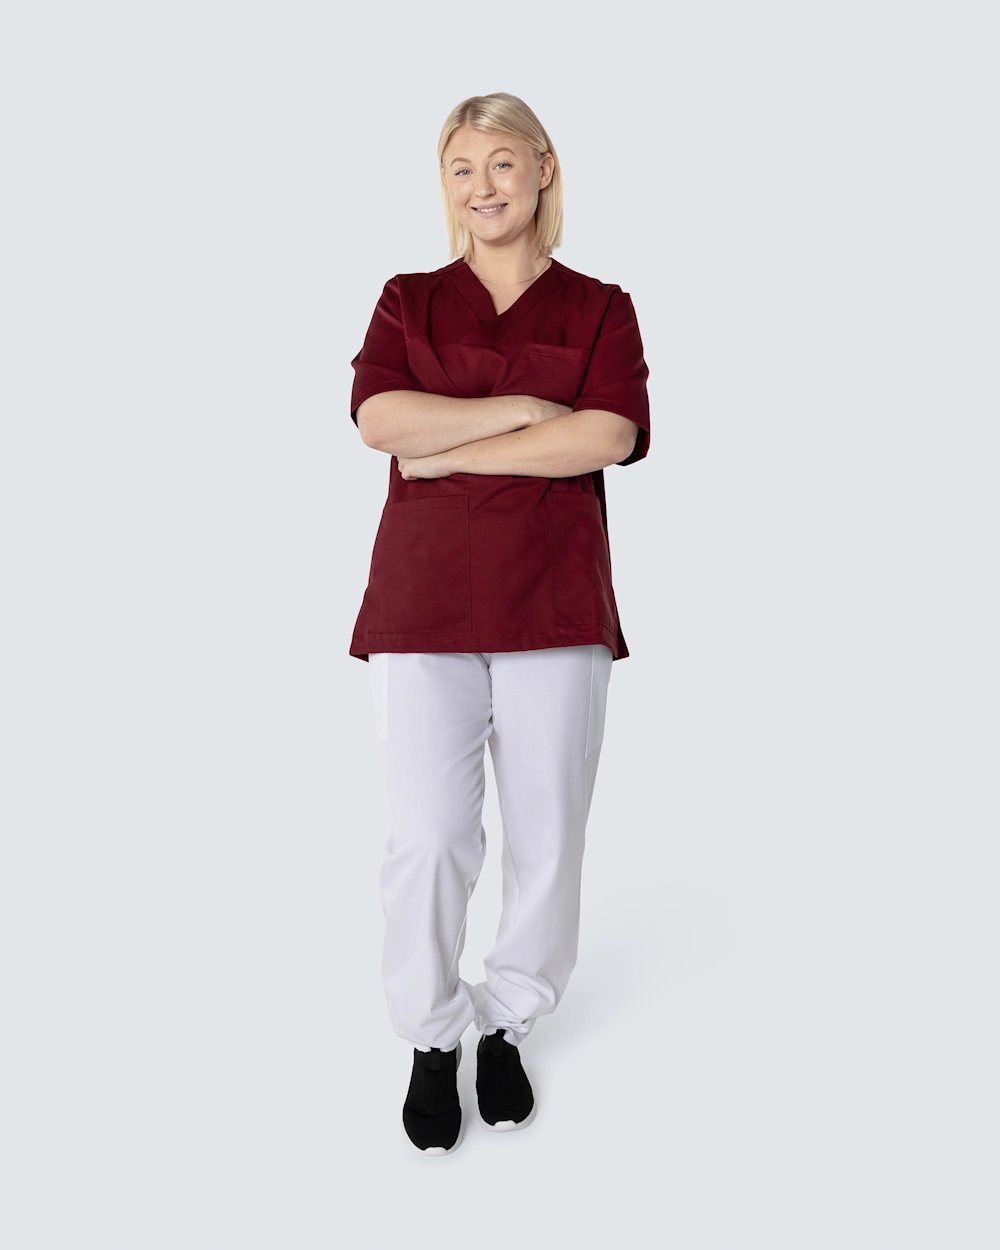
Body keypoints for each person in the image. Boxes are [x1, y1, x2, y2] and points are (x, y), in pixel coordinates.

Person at [348, 92, 651, 1155]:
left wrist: (449, 452)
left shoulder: (599, 307)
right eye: (462, 169)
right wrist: (523, 411)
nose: (484, 187)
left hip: (554, 602)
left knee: (547, 832)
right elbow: (381, 419)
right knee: (428, 837)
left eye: (503, 164)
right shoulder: (408, 300)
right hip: (422, 602)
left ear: (543, 169)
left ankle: (508, 1020)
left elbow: (607, 436)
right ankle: (434, 1034)